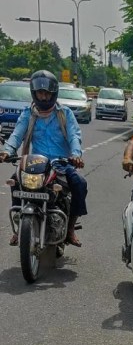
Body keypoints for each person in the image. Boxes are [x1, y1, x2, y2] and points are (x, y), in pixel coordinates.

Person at [0, 70, 87, 246]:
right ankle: (19, 228)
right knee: (14, 181)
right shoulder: (28, 113)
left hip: (60, 163)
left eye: (47, 93)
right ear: (34, 93)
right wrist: (7, 151)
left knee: (80, 183)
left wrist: (76, 155)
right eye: (40, 93)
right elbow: (17, 134)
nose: (44, 97)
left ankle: (70, 229)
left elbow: (74, 136)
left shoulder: (65, 113)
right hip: (36, 162)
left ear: (53, 93)